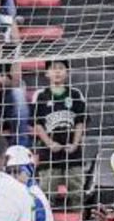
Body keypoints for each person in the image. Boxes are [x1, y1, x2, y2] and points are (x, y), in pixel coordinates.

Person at [32, 59, 88, 212]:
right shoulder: (41, 95)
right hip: (49, 152)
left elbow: (80, 121)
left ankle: (79, 217)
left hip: (72, 151)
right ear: (47, 73)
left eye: (61, 68)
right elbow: (37, 124)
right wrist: (49, 143)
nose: (57, 71)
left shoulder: (75, 94)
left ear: (67, 72)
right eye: (53, 68)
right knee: (47, 188)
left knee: (76, 187)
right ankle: (45, 220)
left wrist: (75, 144)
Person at [5, 145, 57, 221]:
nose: (12, 177)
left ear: (29, 171)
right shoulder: (19, 191)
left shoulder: (33, 196)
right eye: (8, 172)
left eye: (17, 172)